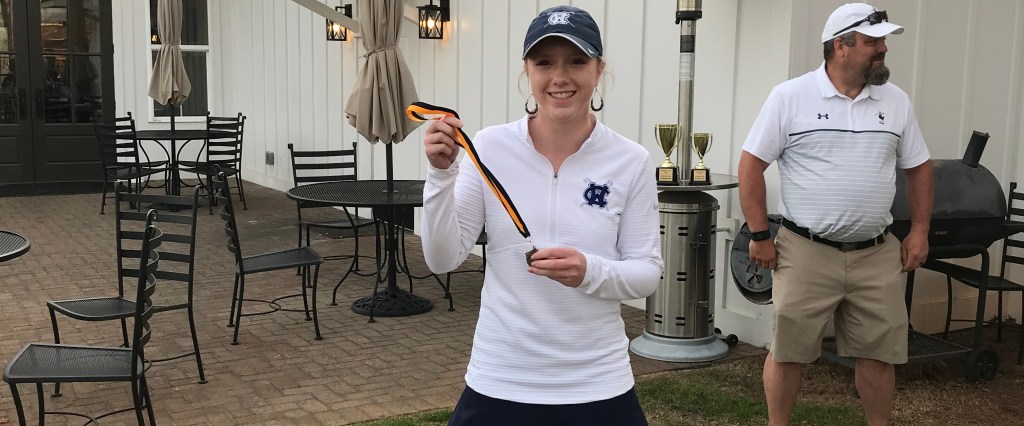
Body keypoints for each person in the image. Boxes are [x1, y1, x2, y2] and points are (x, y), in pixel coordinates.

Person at [420, 5, 663, 426]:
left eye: (576, 61)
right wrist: (440, 175)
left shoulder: (631, 159)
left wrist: (589, 270)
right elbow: (442, 259)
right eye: (544, 62)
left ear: (599, 70)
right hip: (501, 378)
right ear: (527, 72)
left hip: (597, 382)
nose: (559, 77)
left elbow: (647, 272)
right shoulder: (489, 147)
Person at [737, 3, 933, 425]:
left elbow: (918, 168)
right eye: (873, 41)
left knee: (879, 355)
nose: (883, 49)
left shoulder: (896, 101)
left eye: (883, 41)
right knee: (789, 353)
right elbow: (751, 166)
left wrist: (920, 230)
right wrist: (759, 234)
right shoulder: (790, 97)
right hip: (805, 251)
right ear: (840, 46)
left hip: (876, 254)